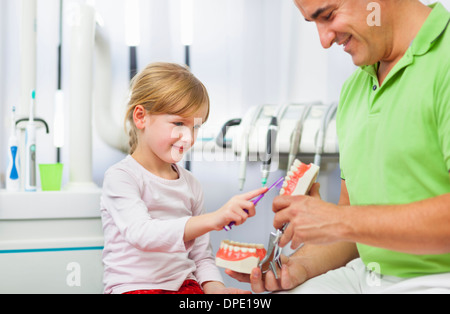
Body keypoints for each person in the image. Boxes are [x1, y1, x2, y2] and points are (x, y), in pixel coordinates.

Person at [228, 0, 450, 293]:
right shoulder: (354, 88)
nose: (324, 40)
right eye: (314, 23)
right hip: (365, 276)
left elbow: (348, 221)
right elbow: (355, 229)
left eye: (329, 15)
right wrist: (299, 266)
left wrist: (338, 220)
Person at [100, 62, 267, 294]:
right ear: (141, 117)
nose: (188, 138)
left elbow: (201, 256)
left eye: (195, 127)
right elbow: (142, 233)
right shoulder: (121, 178)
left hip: (185, 286)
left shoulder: (190, 185)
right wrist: (214, 218)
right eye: (178, 123)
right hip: (135, 288)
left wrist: (216, 289)